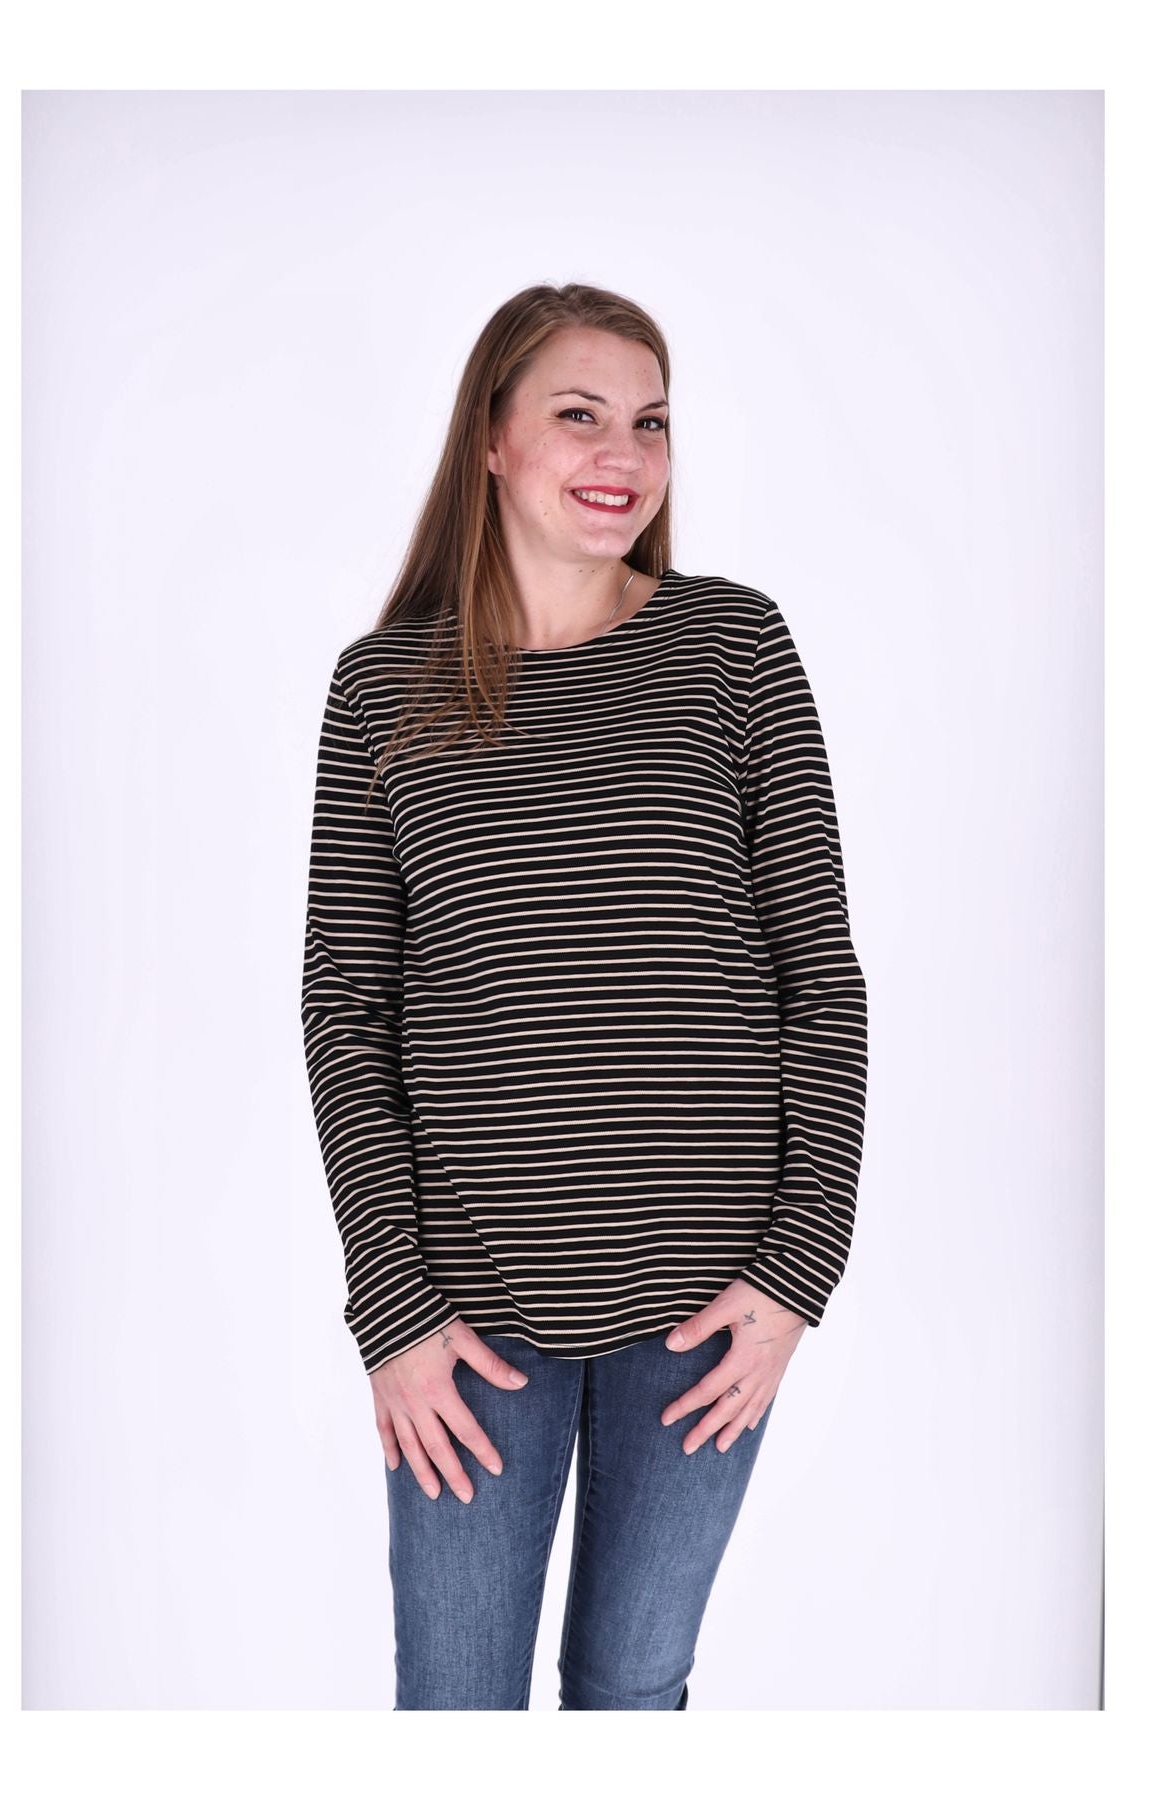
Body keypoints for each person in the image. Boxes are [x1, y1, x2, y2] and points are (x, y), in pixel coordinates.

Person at [300, 282, 869, 1710]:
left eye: (651, 422)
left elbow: (820, 973)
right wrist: (391, 1307)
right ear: (490, 441)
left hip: (711, 1304)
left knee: (631, 1691)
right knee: (455, 1701)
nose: (625, 454)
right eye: (579, 415)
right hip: (467, 1307)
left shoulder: (733, 647)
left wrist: (796, 1273)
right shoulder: (382, 690)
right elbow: (346, 1011)